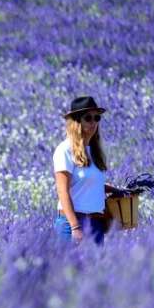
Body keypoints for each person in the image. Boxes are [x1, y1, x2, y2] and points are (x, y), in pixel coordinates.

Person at [53, 96, 120, 244]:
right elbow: (62, 191)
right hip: (72, 224)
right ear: (76, 122)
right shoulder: (65, 150)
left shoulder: (94, 152)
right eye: (88, 118)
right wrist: (75, 227)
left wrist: (115, 190)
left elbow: (88, 184)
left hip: (96, 224)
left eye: (97, 118)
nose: (93, 122)